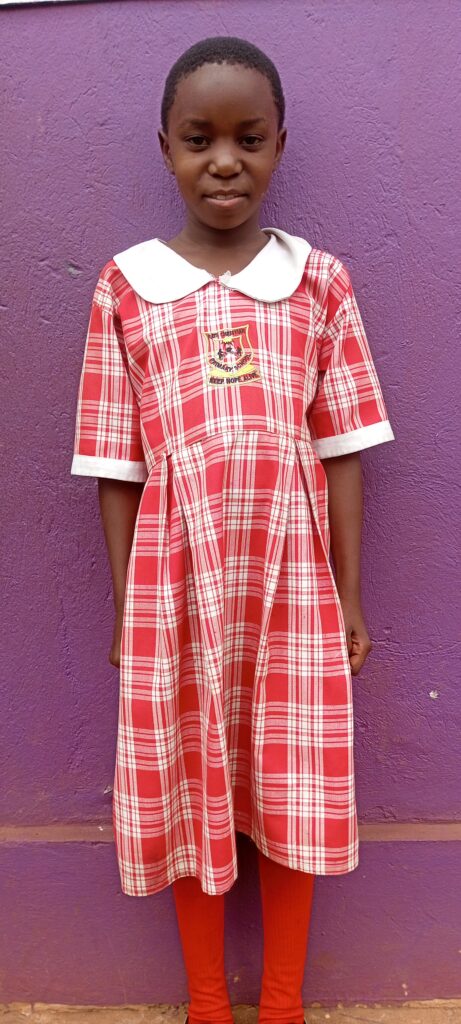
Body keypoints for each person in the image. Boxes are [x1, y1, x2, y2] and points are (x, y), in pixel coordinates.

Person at [71, 36, 395, 1024]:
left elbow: (342, 447)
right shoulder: (125, 287)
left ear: (279, 146)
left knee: (294, 782)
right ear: (164, 148)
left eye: (248, 139)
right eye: (198, 139)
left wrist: (346, 594)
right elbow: (116, 466)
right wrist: (127, 607)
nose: (223, 161)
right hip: (175, 586)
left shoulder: (318, 282)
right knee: (187, 780)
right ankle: (207, 1002)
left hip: (290, 581)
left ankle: (283, 1002)